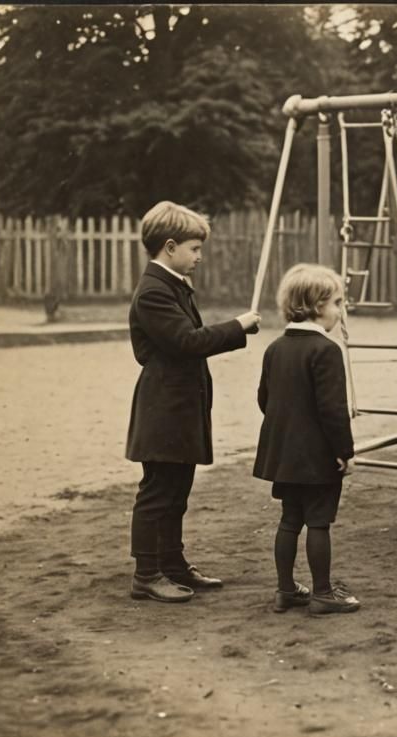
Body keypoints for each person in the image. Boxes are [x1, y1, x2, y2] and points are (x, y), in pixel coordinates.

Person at [125, 201, 260, 602]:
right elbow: (186, 342)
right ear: (170, 247)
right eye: (194, 248)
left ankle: (173, 564)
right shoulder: (153, 292)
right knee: (157, 493)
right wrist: (237, 326)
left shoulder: (171, 284)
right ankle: (146, 574)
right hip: (163, 409)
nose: (199, 256)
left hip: (179, 406)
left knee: (177, 492)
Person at [254, 263, 361, 616]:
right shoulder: (326, 350)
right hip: (317, 457)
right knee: (318, 522)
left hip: (284, 455)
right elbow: (333, 410)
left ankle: (285, 589)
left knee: (289, 520)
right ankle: (322, 593)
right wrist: (344, 451)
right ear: (316, 306)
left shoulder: (275, 349)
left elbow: (264, 400)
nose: (339, 310)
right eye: (337, 302)